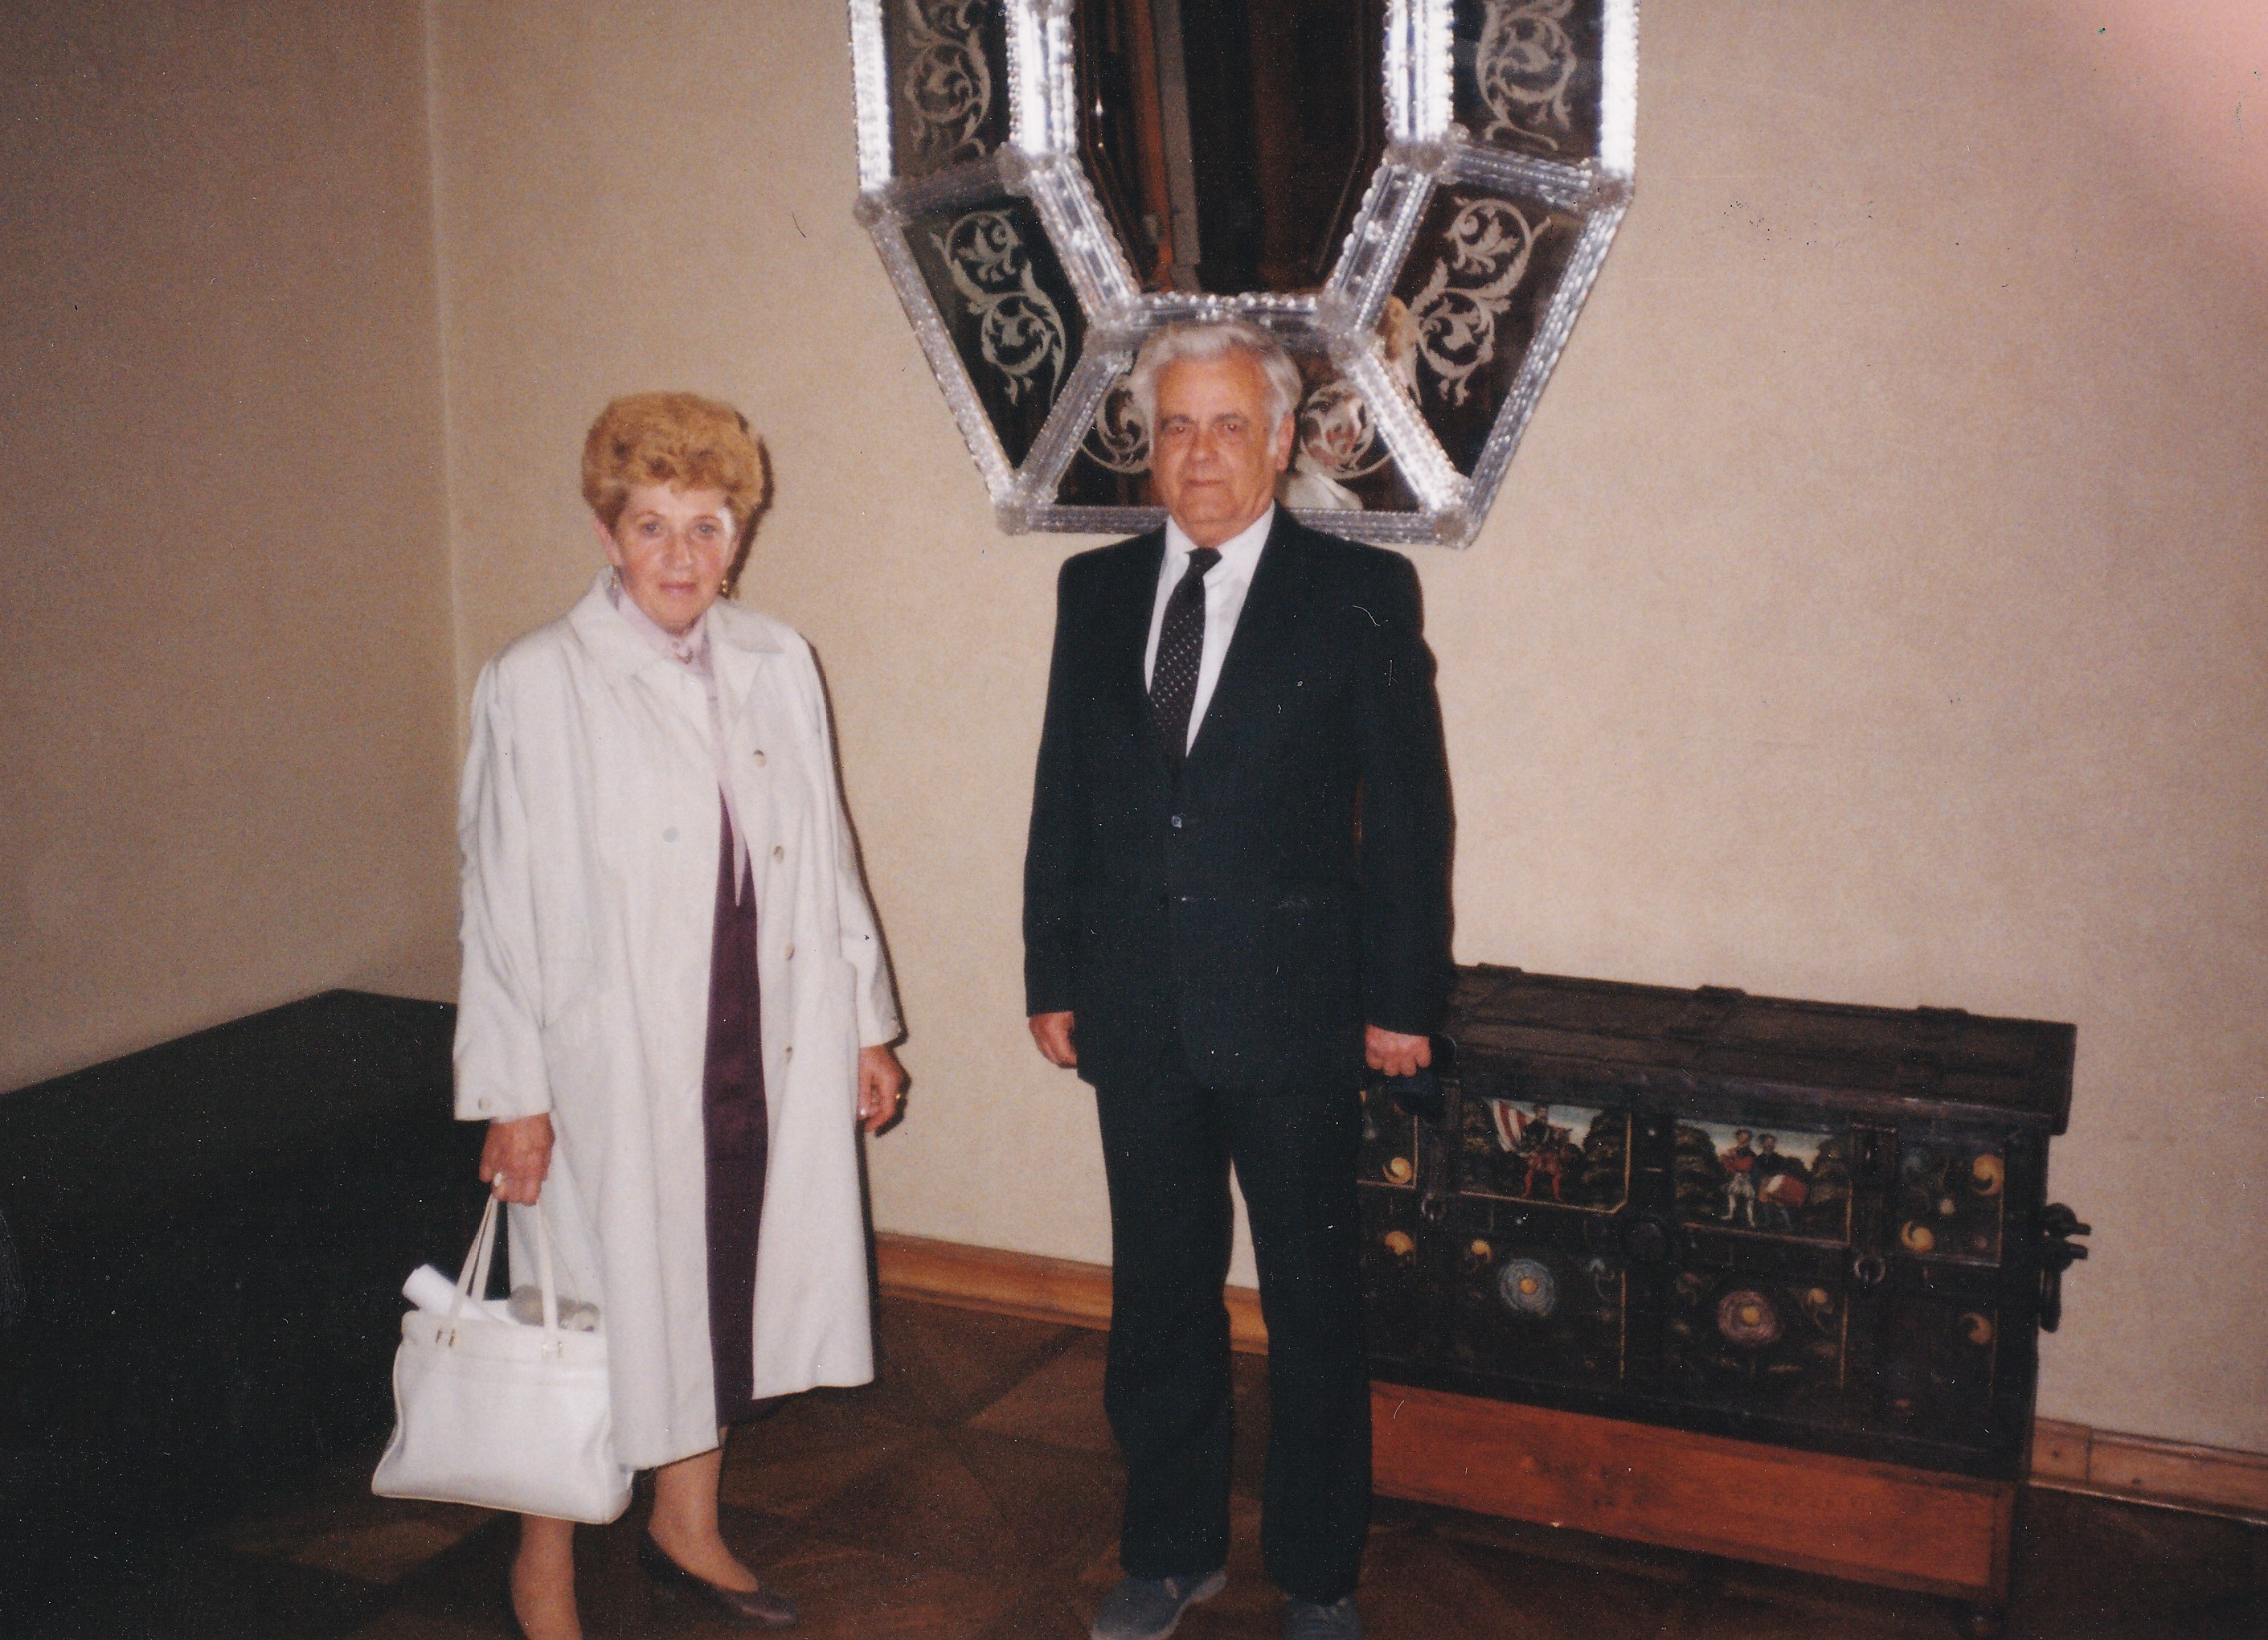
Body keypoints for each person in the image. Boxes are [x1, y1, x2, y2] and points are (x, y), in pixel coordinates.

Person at [1023, 319, 1453, 1640]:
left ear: (1277, 441)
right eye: (1174, 428)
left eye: (1225, 426)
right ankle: (1168, 1550)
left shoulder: (1358, 592)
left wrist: (1401, 998)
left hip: (1295, 1011)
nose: (1198, 454)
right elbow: (1064, 793)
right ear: (1146, 448)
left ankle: (1316, 1575)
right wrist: (1050, 966)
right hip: (1137, 1004)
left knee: (1312, 1306)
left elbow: (1409, 812)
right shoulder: (1095, 591)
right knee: (1158, 1294)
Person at [456, 392, 907, 1639]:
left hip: (755, 1028)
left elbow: (825, 852)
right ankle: (543, 1561)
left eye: (706, 526)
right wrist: (513, 1094)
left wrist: (863, 1022)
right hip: (607, 1053)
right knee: (583, 1309)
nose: (680, 555)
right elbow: (494, 902)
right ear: (605, 532)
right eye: (651, 525)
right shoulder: (536, 681)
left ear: (737, 536)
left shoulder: (775, 660)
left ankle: (686, 1525)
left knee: (720, 1284)